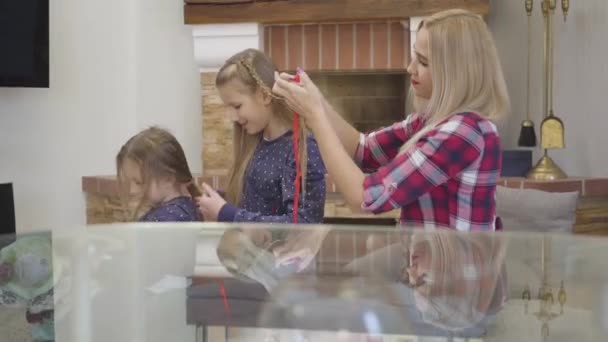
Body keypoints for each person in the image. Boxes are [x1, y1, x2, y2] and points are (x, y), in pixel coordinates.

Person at [273, 9, 509, 231]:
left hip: (456, 272)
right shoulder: (429, 122)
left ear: (456, 73)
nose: (410, 68)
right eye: (414, 57)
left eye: (423, 62)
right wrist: (317, 99)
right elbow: (363, 148)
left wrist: (315, 116)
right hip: (427, 267)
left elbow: (363, 199)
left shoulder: (463, 133)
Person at [196, 49, 326, 226]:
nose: (231, 117)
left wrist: (226, 213)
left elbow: (303, 224)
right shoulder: (255, 143)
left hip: (282, 254)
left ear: (264, 96)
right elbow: (257, 202)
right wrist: (216, 201)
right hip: (251, 252)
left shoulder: (302, 148)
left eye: (236, 106)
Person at [116, 127, 202, 222]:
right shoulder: (182, 209)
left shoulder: (167, 219)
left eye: (139, 182)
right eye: (129, 182)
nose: (132, 191)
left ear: (168, 178)